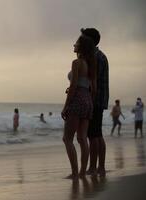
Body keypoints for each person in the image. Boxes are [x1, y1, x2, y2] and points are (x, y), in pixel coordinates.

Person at [61, 34, 96, 179]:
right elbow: (93, 88)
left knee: (67, 138)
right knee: (82, 138)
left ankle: (75, 173)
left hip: (77, 99)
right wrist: (90, 103)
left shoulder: (77, 63)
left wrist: (65, 106)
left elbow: (74, 84)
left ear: (81, 47)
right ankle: (82, 172)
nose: (74, 45)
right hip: (87, 100)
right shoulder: (91, 64)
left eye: (76, 43)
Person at [82, 28, 109, 177]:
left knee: (93, 135)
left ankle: (93, 167)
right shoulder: (100, 55)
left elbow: (93, 83)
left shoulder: (96, 57)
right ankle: (101, 167)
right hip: (100, 99)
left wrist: (89, 102)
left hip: (95, 99)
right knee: (97, 134)